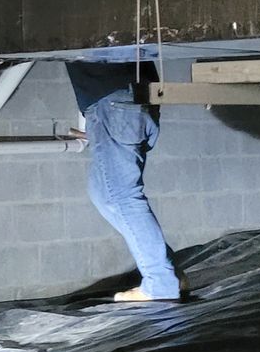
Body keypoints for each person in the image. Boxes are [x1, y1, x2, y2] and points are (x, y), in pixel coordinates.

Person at [66, 61, 182, 302]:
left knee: (122, 197)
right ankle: (170, 274)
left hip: (114, 102)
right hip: (125, 100)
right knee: (102, 192)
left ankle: (161, 282)